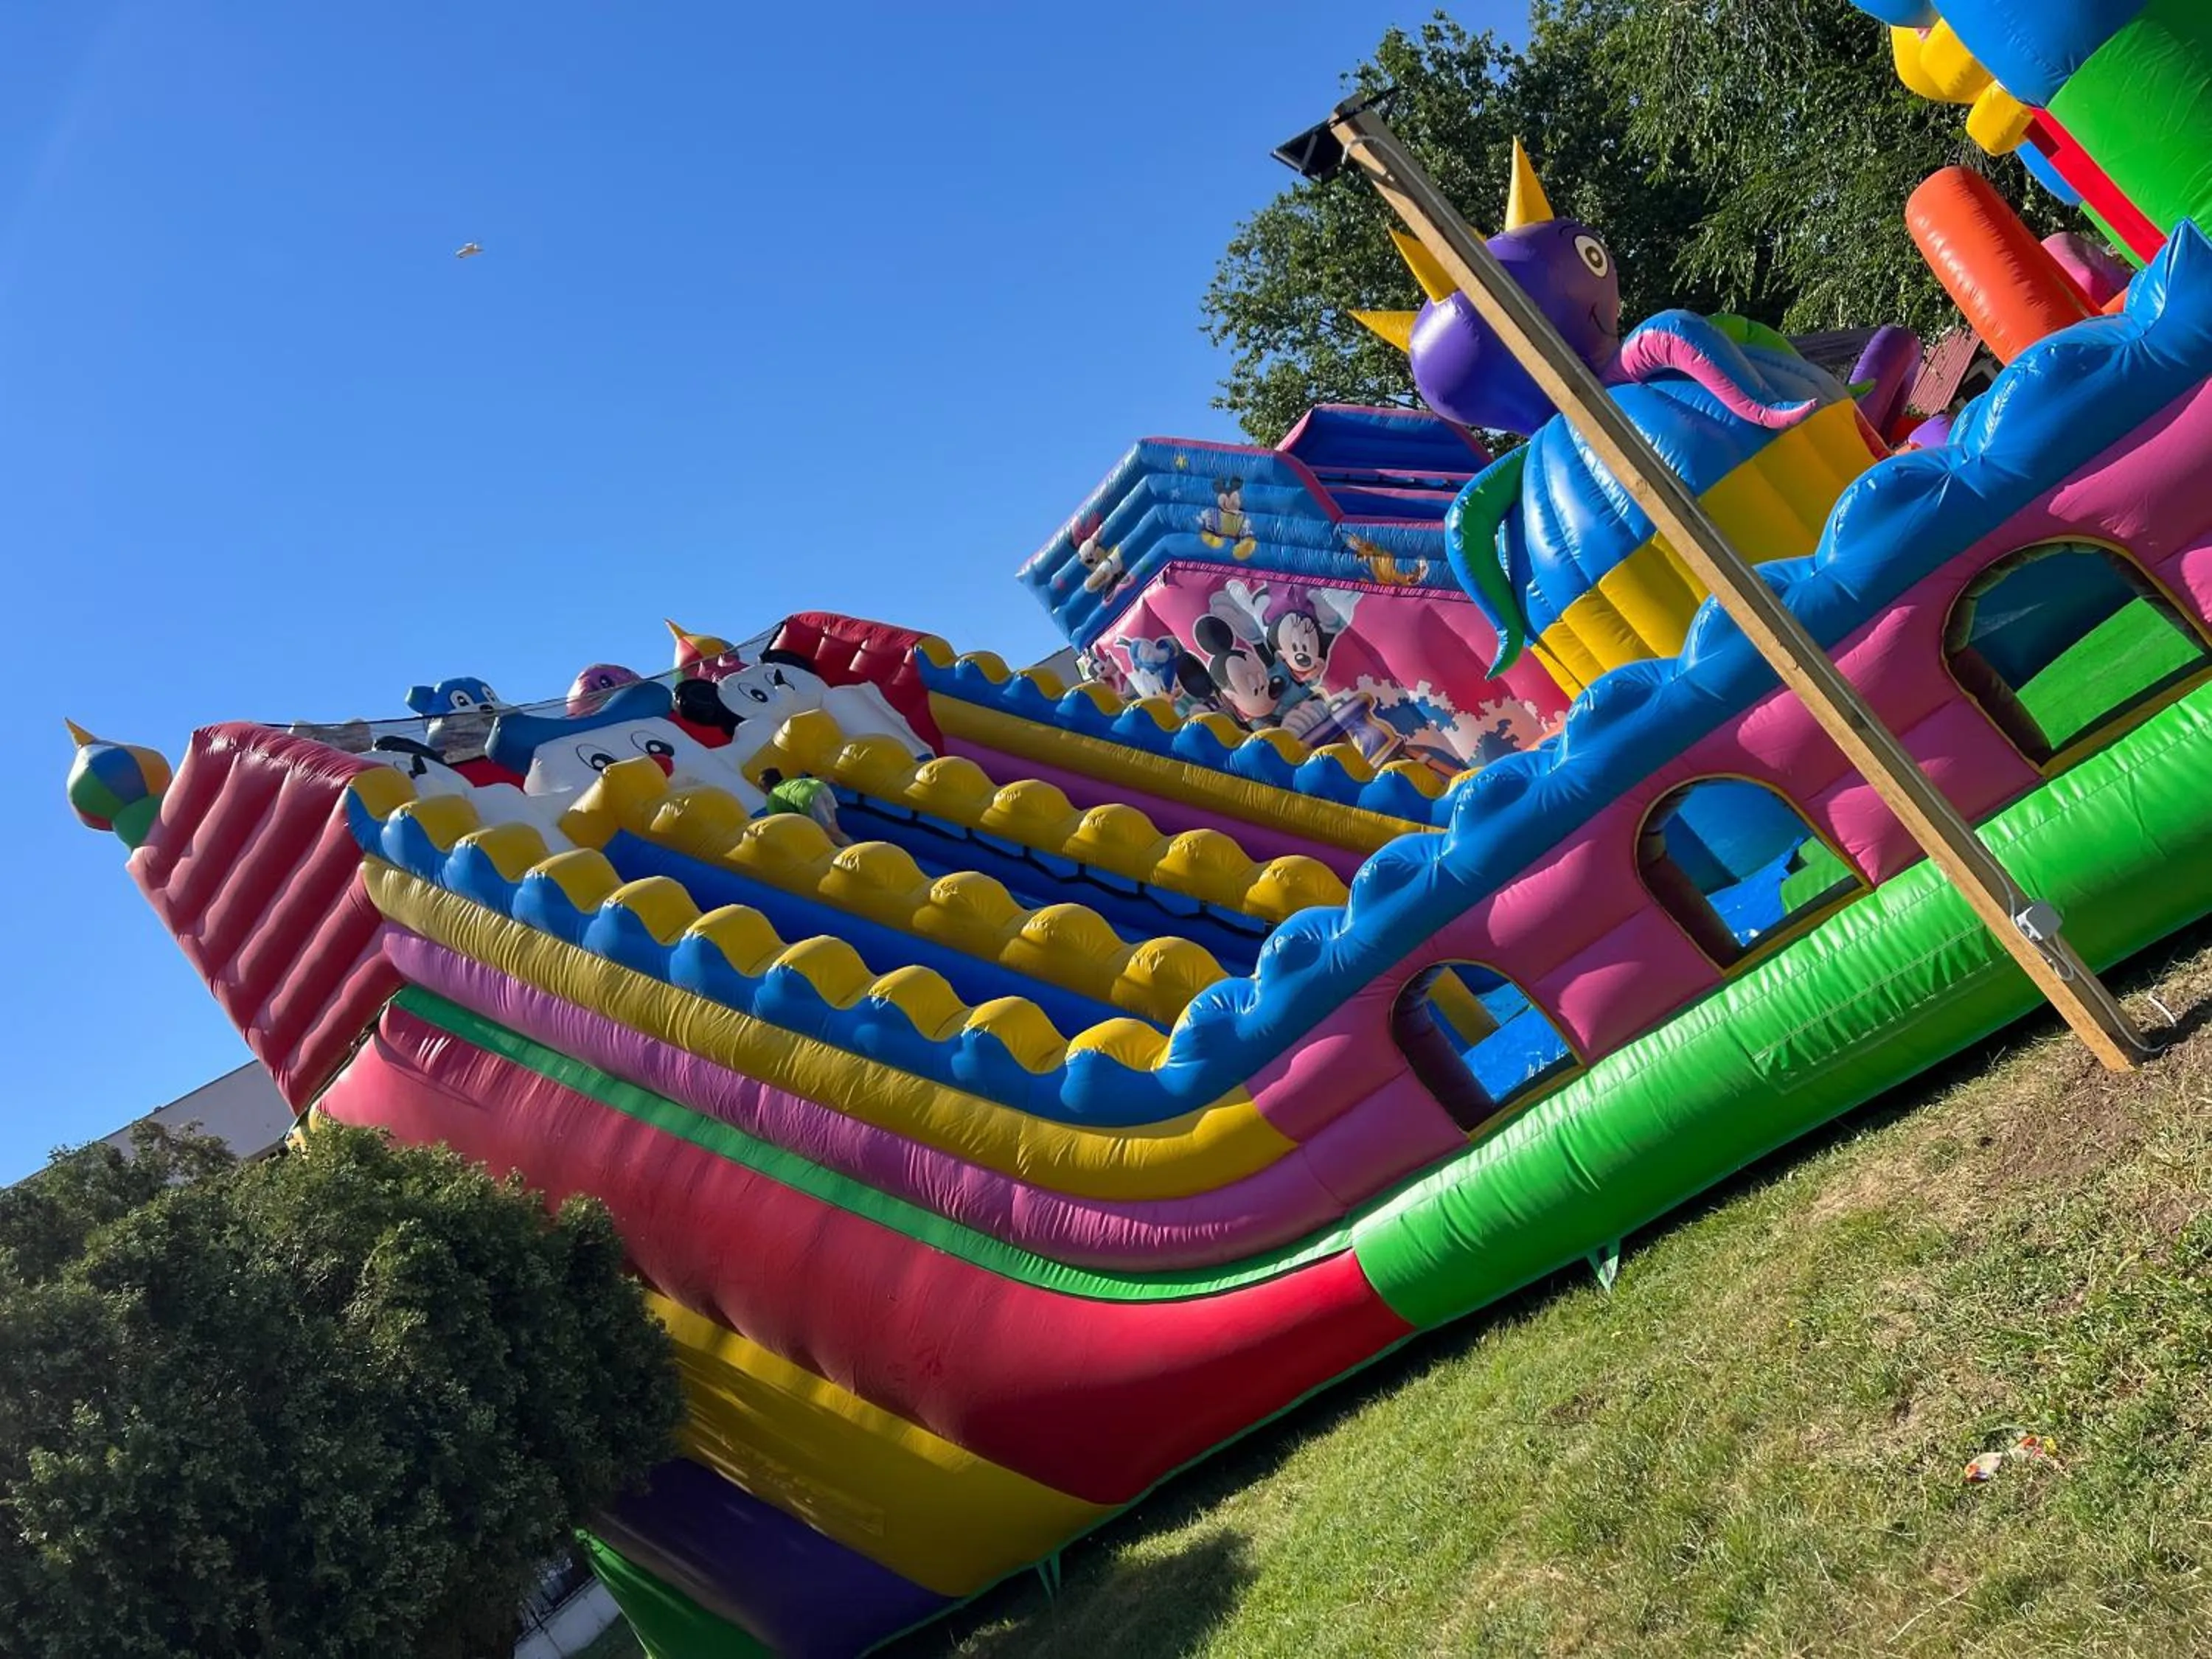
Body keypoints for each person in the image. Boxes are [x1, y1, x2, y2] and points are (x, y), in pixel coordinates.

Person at [759, 772, 851, 847]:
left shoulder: (772, 798)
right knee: (835, 830)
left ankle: (853, 853)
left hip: (809, 799)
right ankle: (848, 847)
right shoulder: (792, 782)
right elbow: (823, 779)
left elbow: (779, 822)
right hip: (821, 788)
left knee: (831, 834)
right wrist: (830, 779)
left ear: (766, 788)